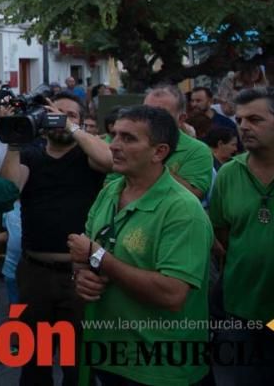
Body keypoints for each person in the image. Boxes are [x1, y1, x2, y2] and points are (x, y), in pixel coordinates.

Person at [68, 106, 212, 386]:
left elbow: (172, 294)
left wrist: (99, 257)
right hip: (108, 355)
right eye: (114, 136)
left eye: (129, 139)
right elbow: (83, 256)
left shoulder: (182, 209)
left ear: (159, 152)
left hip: (162, 368)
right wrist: (81, 276)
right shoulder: (111, 190)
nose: (114, 146)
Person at [0, 91, 112, 386]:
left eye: (69, 114)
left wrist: (71, 126)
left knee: (78, 364)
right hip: (35, 271)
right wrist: (14, 141)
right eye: (53, 113)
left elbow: (109, 160)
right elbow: (9, 190)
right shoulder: (31, 154)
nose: (59, 119)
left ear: (83, 122)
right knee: (34, 361)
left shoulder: (88, 155)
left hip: (81, 274)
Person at [209, 87, 274, 384]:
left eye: (255, 119)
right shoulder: (228, 174)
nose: (244, 126)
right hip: (240, 309)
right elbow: (222, 235)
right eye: (240, 119)